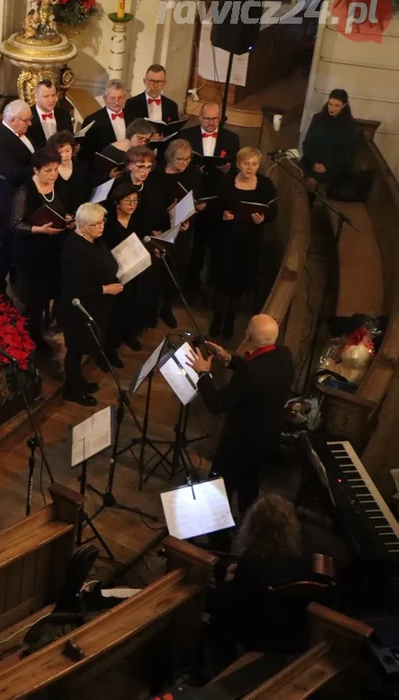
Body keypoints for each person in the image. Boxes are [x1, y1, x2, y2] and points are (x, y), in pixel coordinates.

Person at [187, 314, 294, 513]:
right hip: (266, 438)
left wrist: (203, 373)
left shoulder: (251, 373)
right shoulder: (284, 355)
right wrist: (230, 359)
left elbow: (217, 404)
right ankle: (248, 525)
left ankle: (216, 537)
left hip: (240, 443)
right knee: (249, 485)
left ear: (248, 335)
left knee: (218, 487)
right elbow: (259, 366)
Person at [211, 494, 315, 654]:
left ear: (253, 527)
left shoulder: (251, 564)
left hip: (257, 629)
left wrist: (227, 581)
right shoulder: (304, 556)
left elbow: (232, 602)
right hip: (290, 625)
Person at [209, 147, 278, 340]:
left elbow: (273, 211)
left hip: (249, 243)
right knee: (221, 284)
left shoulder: (265, 185)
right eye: (246, 163)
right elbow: (213, 208)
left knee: (238, 286)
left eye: (254, 164)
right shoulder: (225, 183)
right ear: (239, 164)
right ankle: (216, 321)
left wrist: (262, 218)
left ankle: (229, 322)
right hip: (224, 241)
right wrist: (222, 214)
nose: (250, 168)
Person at [59, 203, 123, 406]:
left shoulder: (93, 240)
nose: (101, 227)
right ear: (82, 226)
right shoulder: (75, 250)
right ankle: (72, 390)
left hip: (95, 305)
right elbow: (77, 287)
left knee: (82, 347)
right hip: (78, 308)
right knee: (76, 349)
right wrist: (106, 289)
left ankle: (78, 382)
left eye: (102, 221)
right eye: (95, 224)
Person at [11, 146, 71, 350]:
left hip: (56, 248)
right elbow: (16, 224)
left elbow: (63, 208)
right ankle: (35, 336)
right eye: (48, 171)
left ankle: (54, 319)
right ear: (36, 171)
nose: (53, 174)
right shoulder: (25, 191)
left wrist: (68, 220)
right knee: (37, 298)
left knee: (57, 288)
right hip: (33, 254)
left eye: (55, 169)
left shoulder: (58, 184)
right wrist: (39, 229)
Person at [178, 101, 241, 296]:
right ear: (199, 117)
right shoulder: (186, 135)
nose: (211, 122)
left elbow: (234, 169)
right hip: (192, 194)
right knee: (189, 243)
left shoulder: (231, 138)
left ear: (220, 118)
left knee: (214, 242)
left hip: (217, 197)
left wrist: (227, 170)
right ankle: (188, 284)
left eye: (215, 119)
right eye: (207, 118)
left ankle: (211, 285)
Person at [155, 139, 207, 327]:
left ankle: (166, 307)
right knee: (158, 271)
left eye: (187, 159)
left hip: (182, 229)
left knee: (176, 270)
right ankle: (152, 309)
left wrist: (189, 217)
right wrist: (167, 213)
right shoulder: (157, 174)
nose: (184, 163)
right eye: (180, 159)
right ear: (170, 157)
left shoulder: (193, 172)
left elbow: (193, 198)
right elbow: (152, 204)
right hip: (161, 228)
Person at [113, 146, 165, 330]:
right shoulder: (118, 185)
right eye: (140, 166)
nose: (144, 171)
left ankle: (136, 326)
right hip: (121, 242)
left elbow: (157, 215)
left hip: (145, 241)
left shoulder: (153, 186)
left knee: (144, 288)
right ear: (128, 166)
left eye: (148, 167)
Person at [0, 99, 38, 292]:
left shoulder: (21, 133)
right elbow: (10, 172)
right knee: (6, 242)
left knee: (19, 243)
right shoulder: (0, 140)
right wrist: (37, 168)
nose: (29, 124)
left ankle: (18, 279)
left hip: (24, 197)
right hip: (10, 200)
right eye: (26, 120)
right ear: (12, 119)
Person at [101, 184, 145, 364]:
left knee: (131, 306)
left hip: (134, 271)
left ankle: (126, 335)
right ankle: (108, 349)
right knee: (114, 313)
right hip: (113, 274)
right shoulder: (108, 223)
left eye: (135, 201)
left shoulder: (137, 220)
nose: (132, 204)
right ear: (117, 203)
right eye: (127, 201)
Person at [301, 88, 357, 190]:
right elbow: (307, 142)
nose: (332, 108)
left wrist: (326, 165)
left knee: (311, 181)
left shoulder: (349, 125)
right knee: (295, 172)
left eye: (336, 106)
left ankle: (308, 203)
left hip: (333, 165)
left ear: (344, 106)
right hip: (313, 160)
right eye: (330, 104)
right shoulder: (318, 118)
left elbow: (347, 152)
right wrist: (314, 162)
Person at [80, 79, 134, 160]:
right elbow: (86, 154)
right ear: (105, 98)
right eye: (112, 98)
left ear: (125, 98)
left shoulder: (132, 118)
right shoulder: (92, 121)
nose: (116, 102)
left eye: (120, 98)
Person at [94, 118, 155, 185]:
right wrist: (110, 176)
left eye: (146, 140)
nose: (143, 143)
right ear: (131, 133)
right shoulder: (110, 152)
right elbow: (97, 179)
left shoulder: (141, 150)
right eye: (140, 138)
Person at [49, 130, 91, 211]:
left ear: (73, 150)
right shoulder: (50, 172)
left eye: (67, 151)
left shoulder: (82, 166)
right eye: (60, 152)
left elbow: (87, 192)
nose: (64, 155)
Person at [26, 79, 74, 149]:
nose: (51, 100)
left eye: (53, 95)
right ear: (36, 97)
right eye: (46, 96)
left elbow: (70, 140)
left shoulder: (64, 115)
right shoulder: (27, 116)